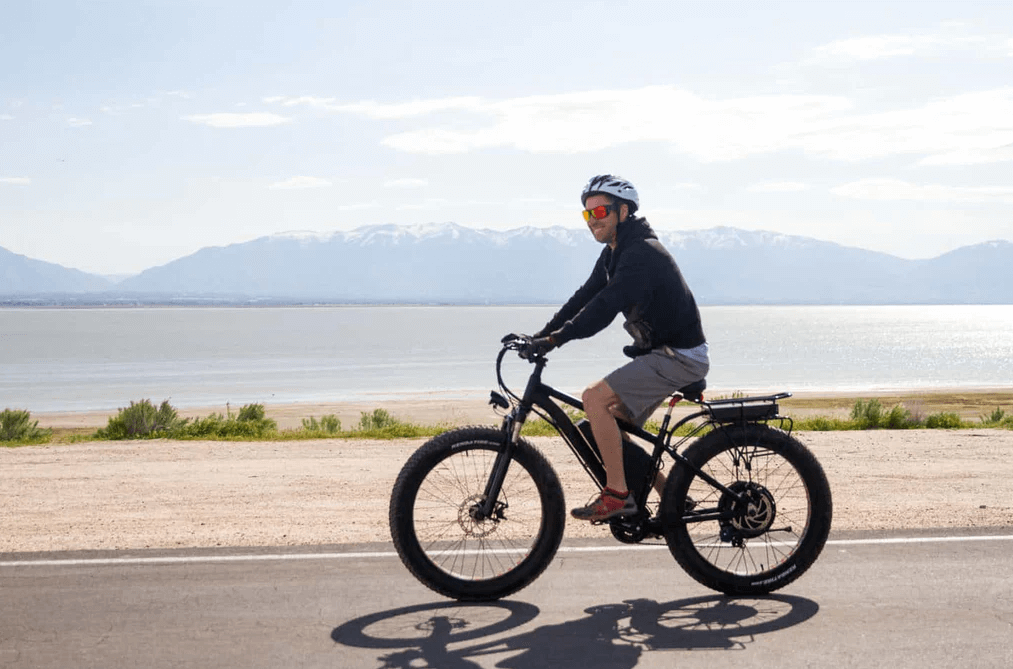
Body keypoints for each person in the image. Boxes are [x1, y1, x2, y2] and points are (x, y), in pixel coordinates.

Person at [527, 174, 709, 522]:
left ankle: (617, 495)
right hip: (662, 355)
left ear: (623, 211)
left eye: (600, 212)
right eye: (587, 214)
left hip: (679, 357)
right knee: (594, 425)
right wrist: (542, 336)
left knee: (593, 399)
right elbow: (584, 299)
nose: (592, 220)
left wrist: (556, 340)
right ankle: (670, 494)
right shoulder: (615, 252)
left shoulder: (641, 252)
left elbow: (605, 307)